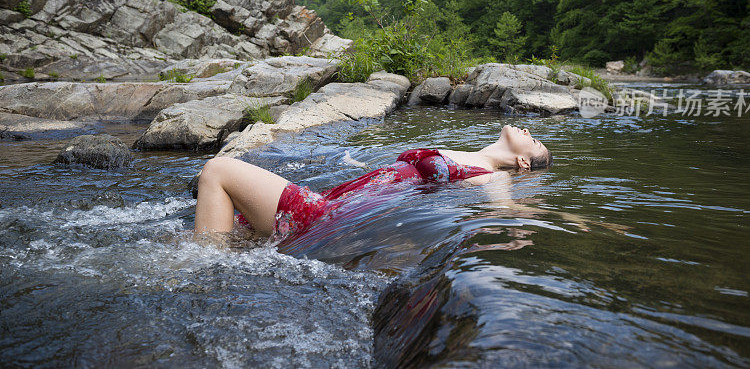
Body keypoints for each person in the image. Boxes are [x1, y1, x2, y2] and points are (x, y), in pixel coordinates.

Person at [193, 125, 552, 238]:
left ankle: (208, 275)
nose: (526, 131)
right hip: (336, 202)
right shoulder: (468, 154)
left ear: (523, 161)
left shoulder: (492, 177)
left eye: (533, 140)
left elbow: (505, 211)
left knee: (218, 170)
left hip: (329, 216)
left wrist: (577, 221)